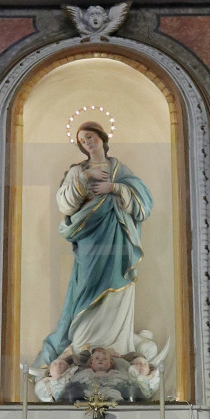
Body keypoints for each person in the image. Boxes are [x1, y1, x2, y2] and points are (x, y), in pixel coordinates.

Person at [36, 121, 152, 372]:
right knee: (86, 287)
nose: (87, 142)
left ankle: (116, 348)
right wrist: (84, 177)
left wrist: (115, 187)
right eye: (82, 140)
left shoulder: (118, 169)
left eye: (91, 137)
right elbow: (65, 204)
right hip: (89, 239)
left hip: (117, 238)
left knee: (117, 285)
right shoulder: (77, 170)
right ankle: (83, 347)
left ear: (102, 138)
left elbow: (145, 200)